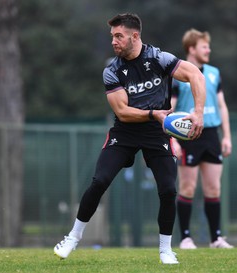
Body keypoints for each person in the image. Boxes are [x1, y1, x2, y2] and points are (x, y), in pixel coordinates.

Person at [53, 13, 206, 264]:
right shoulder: (112, 70)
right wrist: (153, 113)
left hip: (157, 132)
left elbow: (195, 76)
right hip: (125, 132)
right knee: (100, 181)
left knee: (168, 190)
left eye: (118, 36)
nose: (114, 41)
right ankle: (73, 237)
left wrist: (198, 112)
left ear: (135, 36)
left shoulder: (159, 58)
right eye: (112, 36)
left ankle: (165, 250)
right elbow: (122, 112)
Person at [171, 28, 234, 249]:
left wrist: (226, 136)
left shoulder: (214, 73)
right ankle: (186, 238)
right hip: (187, 135)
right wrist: (173, 140)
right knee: (188, 187)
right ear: (191, 48)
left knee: (213, 188)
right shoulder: (179, 75)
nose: (208, 49)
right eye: (204, 46)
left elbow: (222, 106)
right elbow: (169, 109)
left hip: (211, 134)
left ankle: (216, 238)